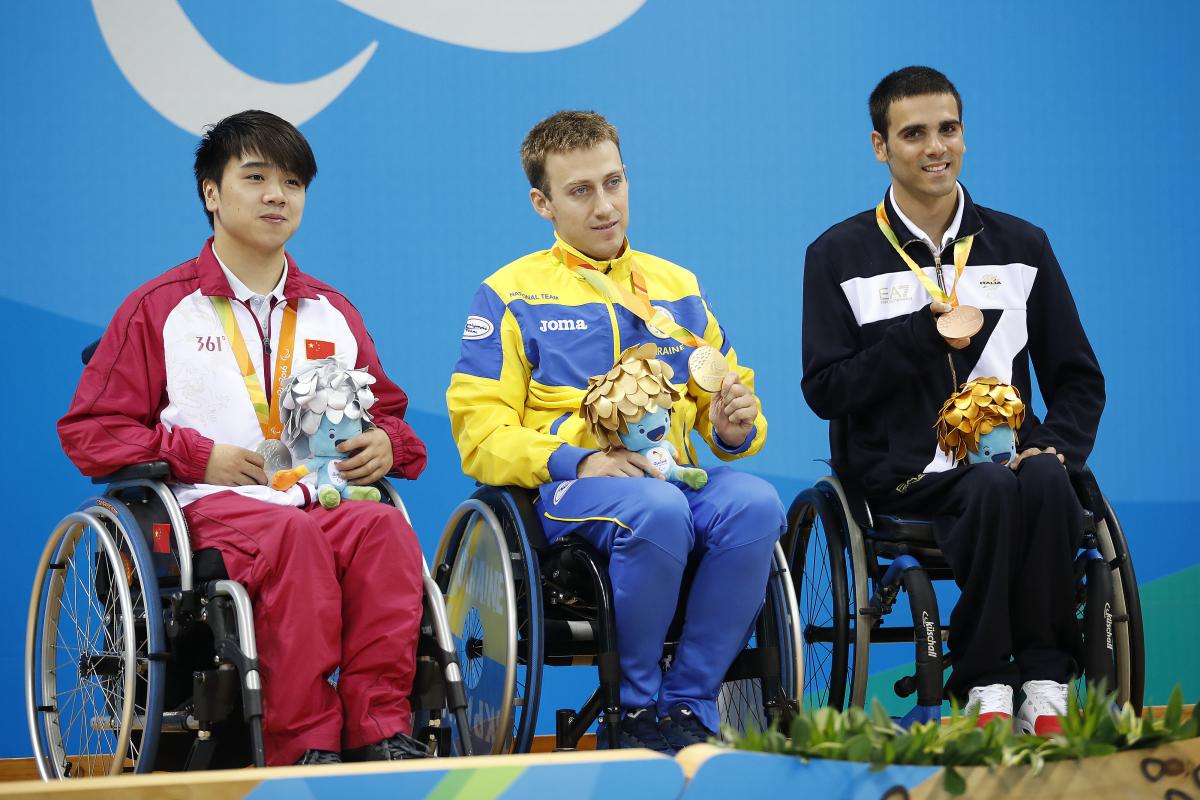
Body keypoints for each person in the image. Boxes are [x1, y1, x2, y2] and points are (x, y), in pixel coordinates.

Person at [58, 110, 429, 766]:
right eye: (255, 177)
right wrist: (200, 455)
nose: (276, 195)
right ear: (212, 193)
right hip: (207, 510)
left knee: (385, 532)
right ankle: (305, 744)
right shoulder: (161, 308)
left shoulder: (331, 312)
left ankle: (379, 732)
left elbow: (391, 415)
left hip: (319, 500)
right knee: (295, 540)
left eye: (292, 182)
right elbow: (92, 432)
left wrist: (388, 445)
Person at [446, 110, 785, 752]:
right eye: (580, 191)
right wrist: (580, 463)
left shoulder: (676, 287)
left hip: (670, 476)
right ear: (541, 202)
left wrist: (733, 427)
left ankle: (686, 704)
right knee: (655, 509)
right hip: (570, 491)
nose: (606, 207)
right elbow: (481, 433)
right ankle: (633, 710)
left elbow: (725, 406)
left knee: (754, 502)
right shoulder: (508, 294)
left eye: (615, 182)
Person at [801, 67, 1105, 735]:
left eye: (948, 129)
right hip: (906, 475)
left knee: (1051, 479)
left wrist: (1054, 444)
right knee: (994, 488)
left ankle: (1047, 683)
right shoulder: (837, 254)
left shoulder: (1022, 247)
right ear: (880, 146)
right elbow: (826, 390)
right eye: (913, 134)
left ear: (963, 135)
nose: (935, 147)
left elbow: (1079, 378)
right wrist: (919, 336)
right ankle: (986, 682)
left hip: (1013, 461)